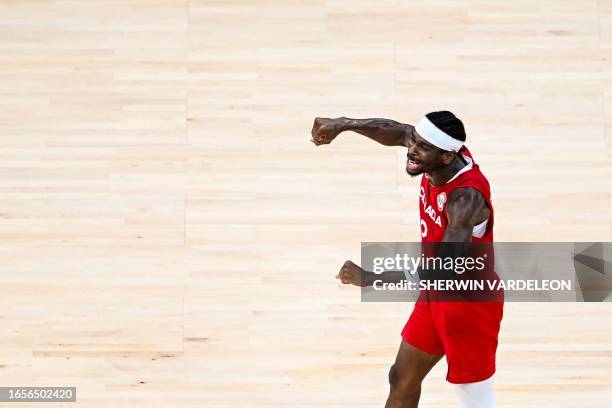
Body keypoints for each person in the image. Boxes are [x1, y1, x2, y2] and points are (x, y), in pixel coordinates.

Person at [310, 112, 504, 408]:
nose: (412, 149)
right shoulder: (437, 150)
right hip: (434, 296)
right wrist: (343, 124)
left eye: (422, 147)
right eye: (414, 142)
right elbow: (395, 131)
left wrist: (373, 279)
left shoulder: (465, 199)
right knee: (401, 377)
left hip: (468, 305)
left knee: (474, 399)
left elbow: (445, 270)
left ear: (446, 158)